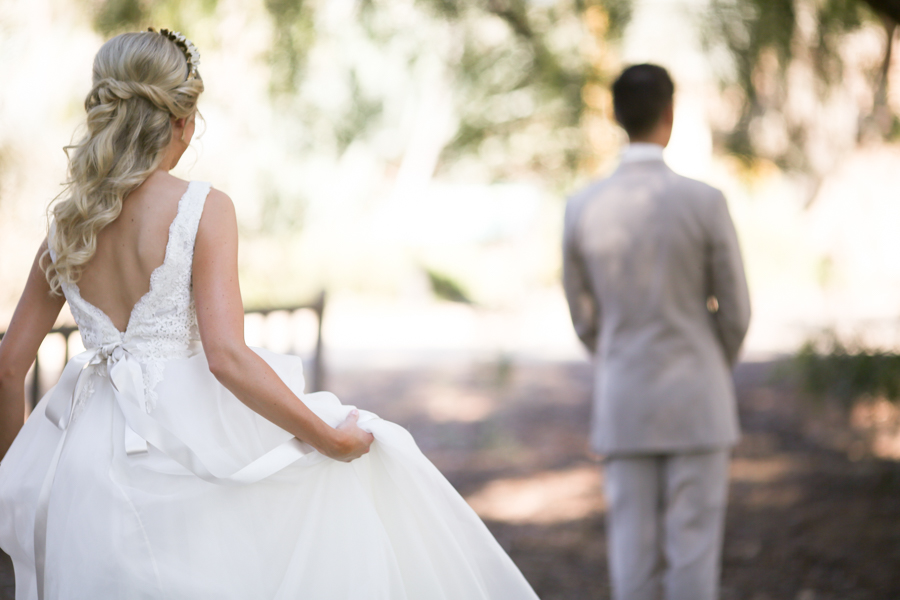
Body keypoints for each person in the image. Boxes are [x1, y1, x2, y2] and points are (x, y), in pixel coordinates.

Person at [0, 30, 540, 600]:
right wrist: (328, 439)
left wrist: (16, 479)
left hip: (83, 468)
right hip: (181, 458)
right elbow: (228, 357)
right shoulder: (201, 208)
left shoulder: (70, 223)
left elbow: (10, 366)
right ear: (183, 119)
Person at [562, 64, 751, 600]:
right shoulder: (706, 201)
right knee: (693, 556)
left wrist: (616, 354)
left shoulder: (582, 206)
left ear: (617, 117)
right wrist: (712, 361)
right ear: (669, 116)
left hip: (624, 397)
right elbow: (735, 308)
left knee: (632, 556)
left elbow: (582, 316)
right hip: (699, 397)